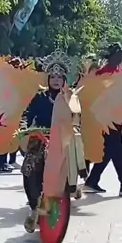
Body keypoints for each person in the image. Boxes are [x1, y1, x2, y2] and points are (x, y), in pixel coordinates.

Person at [84, 44, 122, 197]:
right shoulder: (102, 74)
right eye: (119, 54)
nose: (121, 57)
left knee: (111, 151)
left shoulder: (120, 72)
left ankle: (92, 181)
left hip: (117, 118)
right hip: (106, 118)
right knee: (116, 152)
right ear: (112, 56)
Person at [22, 63, 68, 232]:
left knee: (56, 176)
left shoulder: (70, 97)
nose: (56, 80)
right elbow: (27, 115)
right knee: (28, 170)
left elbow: (78, 119)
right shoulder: (40, 96)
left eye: (59, 77)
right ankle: (35, 207)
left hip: (61, 141)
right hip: (39, 139)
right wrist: (25, 129)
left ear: (65, 79)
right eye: (53, 77)